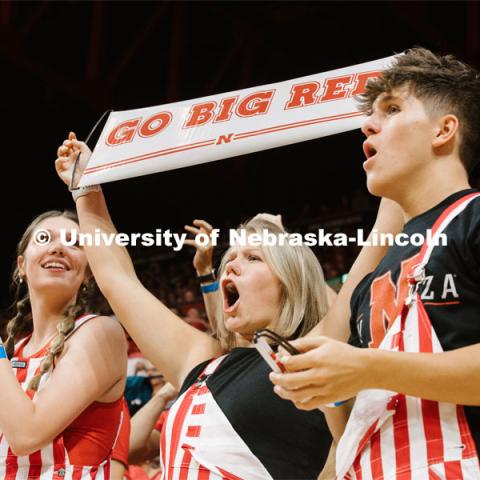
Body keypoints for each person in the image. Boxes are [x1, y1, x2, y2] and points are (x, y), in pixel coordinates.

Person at [55, 137, 334, 479]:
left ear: (291, 280)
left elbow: (380, 242)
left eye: (252, 258)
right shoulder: (204, 360)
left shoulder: (320, 355)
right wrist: (85, 189)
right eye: (229, 258)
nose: (229, 266)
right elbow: (117, 279)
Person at [270, 47, 480, 478]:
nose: (367, 124)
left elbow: (373, 368)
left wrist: (369, 367)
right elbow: (330, 350)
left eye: (393, 108)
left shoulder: (474, 217)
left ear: (444, 130)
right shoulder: (375, 277)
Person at [0, 210, 127, 477]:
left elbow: (26, 434)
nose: (58, 247)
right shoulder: (13, 352)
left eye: (73, 242)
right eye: (45, 238)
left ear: (87, 275)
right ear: (21, 265)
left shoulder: (101, 332)